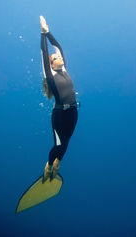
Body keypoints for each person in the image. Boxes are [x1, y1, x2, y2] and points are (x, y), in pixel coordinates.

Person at [40, 15, 78, 183]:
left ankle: (57, 164)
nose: (59, 57)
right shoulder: (50, 75)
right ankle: (48, 165)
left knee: (67, 142)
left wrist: (49, 32)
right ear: (51, 64)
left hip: (74, 111)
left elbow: (58, 47)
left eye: (60, 57)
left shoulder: (65, 70)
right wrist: (42, 34)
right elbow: (45, 53)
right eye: (56, 58)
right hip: (59, 114)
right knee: (58, 144)